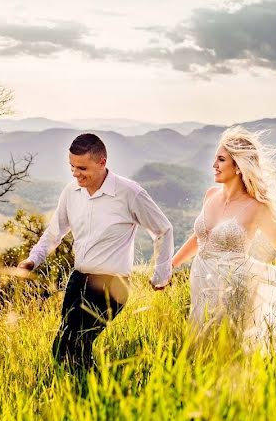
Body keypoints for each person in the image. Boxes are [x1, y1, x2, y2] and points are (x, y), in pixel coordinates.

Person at [18, 133, 174, 371]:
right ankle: (86, 394)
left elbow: (163, 229)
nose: (75, 173)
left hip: (111, 285)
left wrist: (161, 274)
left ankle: (95, 396)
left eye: (82, 167)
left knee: (76, 343)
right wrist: (33, 259)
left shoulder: (129, 193)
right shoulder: (71, 192)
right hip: (77, 280)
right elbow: (55, 232)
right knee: (64, 348)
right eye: (71, 167)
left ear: (102, 162)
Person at [171, 126, 276, 350]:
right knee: (198, 346)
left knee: (227, 347)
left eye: (221, 160)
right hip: (201, 283)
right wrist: (171, 265)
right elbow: (200, 237)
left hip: (234, 289)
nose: (214, 165)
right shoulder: (210, 195)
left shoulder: (257, 208)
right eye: (215, 158)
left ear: (238, 167)